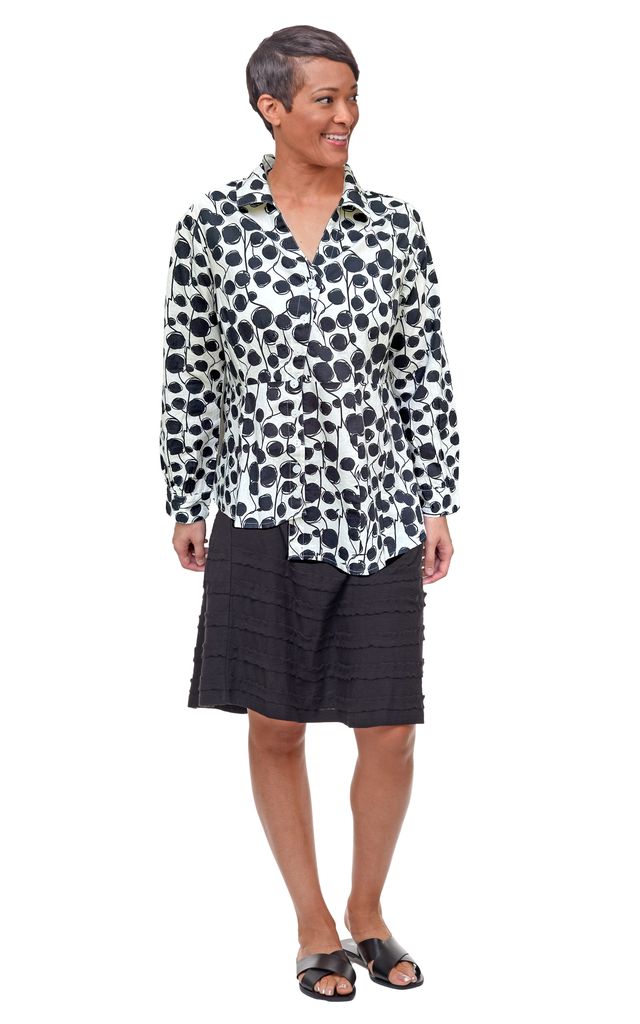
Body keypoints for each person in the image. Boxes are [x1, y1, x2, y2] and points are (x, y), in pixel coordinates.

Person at [159, 24, 461, 1001]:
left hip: (378, 507)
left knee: (390, 726)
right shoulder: (213, 226)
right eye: (325, 98)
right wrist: (187, 492)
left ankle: (368, 908)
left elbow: (420, 367)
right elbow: (191, 370)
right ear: (272, 107)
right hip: (260, 505)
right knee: (277, 722)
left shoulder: (395, 226)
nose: (346, 116)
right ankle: (313, 921)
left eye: (352, 96)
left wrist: (435, 495)